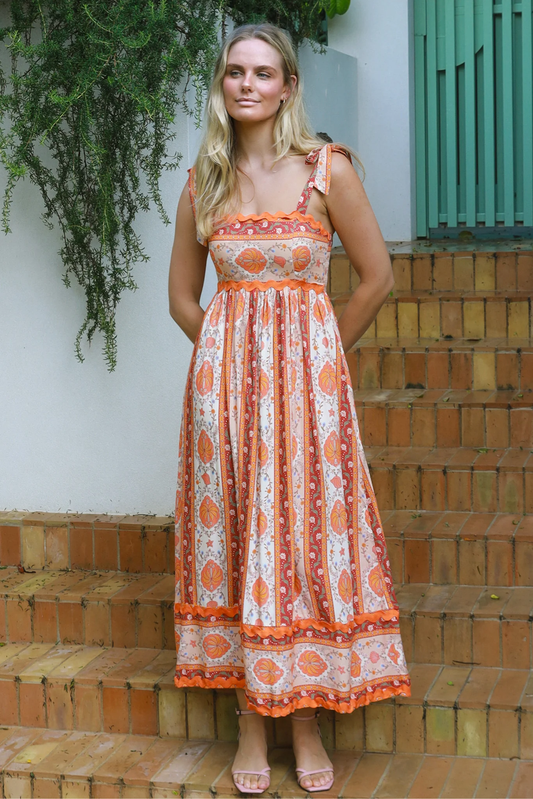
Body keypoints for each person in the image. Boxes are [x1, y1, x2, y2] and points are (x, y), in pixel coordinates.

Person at [168, 22, 411, 795]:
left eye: (263, 72)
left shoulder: (325, 170)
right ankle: (249, 717)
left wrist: (318, 356)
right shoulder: (202, 180)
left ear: (288, 86)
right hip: (224, 398)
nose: (247, 84)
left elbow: (376, 277)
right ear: (221, 84)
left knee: (303, 539)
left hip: (310, 394)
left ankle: (303, 716)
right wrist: (223, 359)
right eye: (234, 71)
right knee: (242, 536)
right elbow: (180, 297)